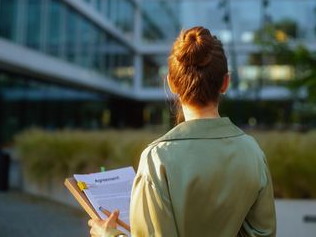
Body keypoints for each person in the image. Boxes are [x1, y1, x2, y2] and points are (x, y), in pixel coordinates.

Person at [89, 26, 276, 237]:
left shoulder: (157, 158)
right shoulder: (253, 152)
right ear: (225, 83)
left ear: (172, 83)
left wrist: (109, 235)